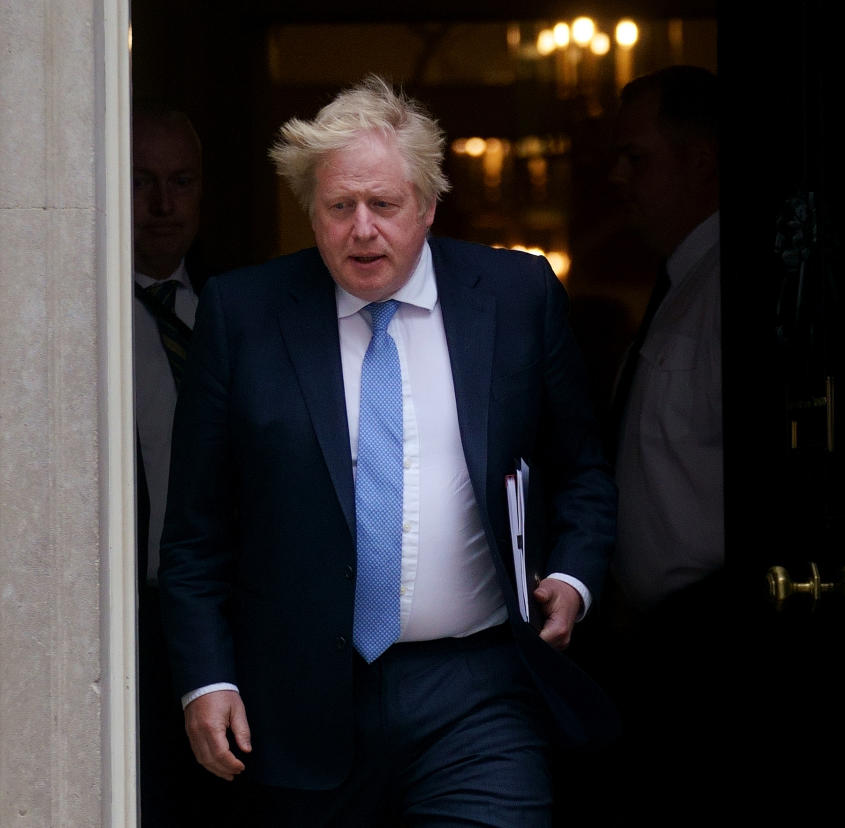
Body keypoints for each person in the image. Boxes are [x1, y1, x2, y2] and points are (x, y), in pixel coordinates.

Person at [158, 76, 616, 825]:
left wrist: (572, 573)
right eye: (339, 207)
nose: (362, 229)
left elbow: (583, 469)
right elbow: (196, 533)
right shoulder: (244, 315)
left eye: (384, 205)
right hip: (299, 698)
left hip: (478, 690)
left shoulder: (516, 294)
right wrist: (206, 679)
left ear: (429, 206)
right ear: (312, 211)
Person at [596, 65, 724, 821]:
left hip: (707, 642)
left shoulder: (722, 293)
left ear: (700, 161)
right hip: (651, 644)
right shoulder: (682, 286)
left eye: (636, 157)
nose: (617, 177)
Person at [131, 107, 231, 825]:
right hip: (122, 620)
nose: (163, 205)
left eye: (180, 181)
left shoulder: (236, 318)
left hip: (229, 622)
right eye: (141, 182)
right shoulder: (77, 318)